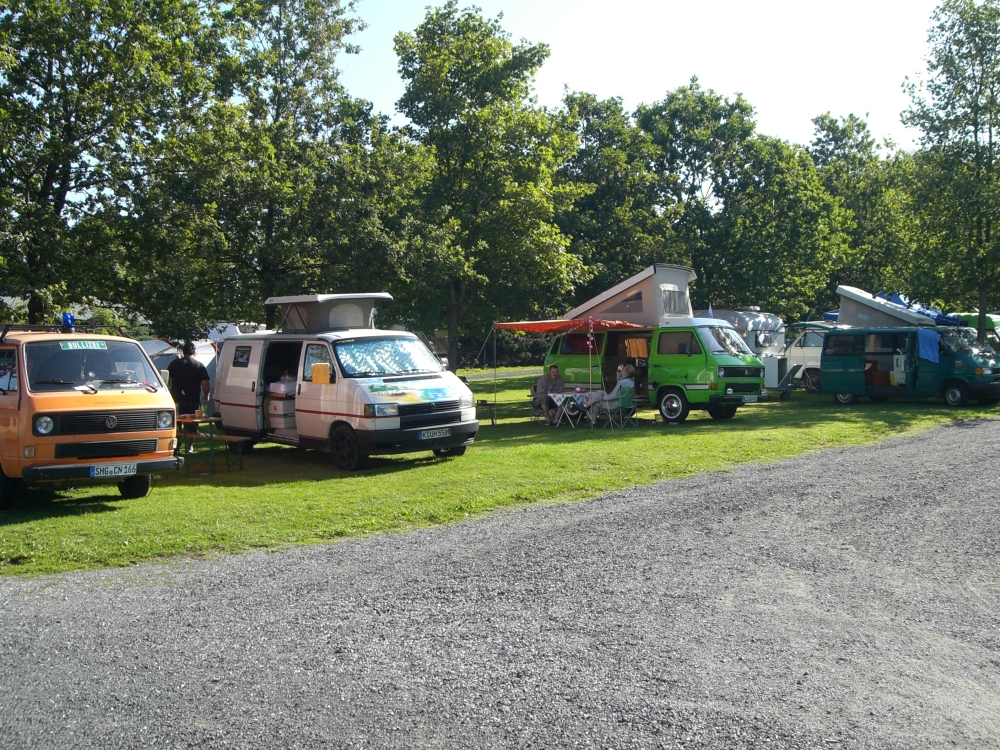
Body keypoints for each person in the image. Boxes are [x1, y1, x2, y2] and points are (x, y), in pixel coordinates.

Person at [167, 342, 211, 450]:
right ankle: (189, 446)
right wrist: (207, 394)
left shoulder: (174, 364)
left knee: (176, 423)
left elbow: (166, 379)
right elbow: (205, 383)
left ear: (183, 351)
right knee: (192, 424)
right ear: (194, 352)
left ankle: (176, 446)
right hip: (193, 400)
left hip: (177, 399)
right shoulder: (199, 365)